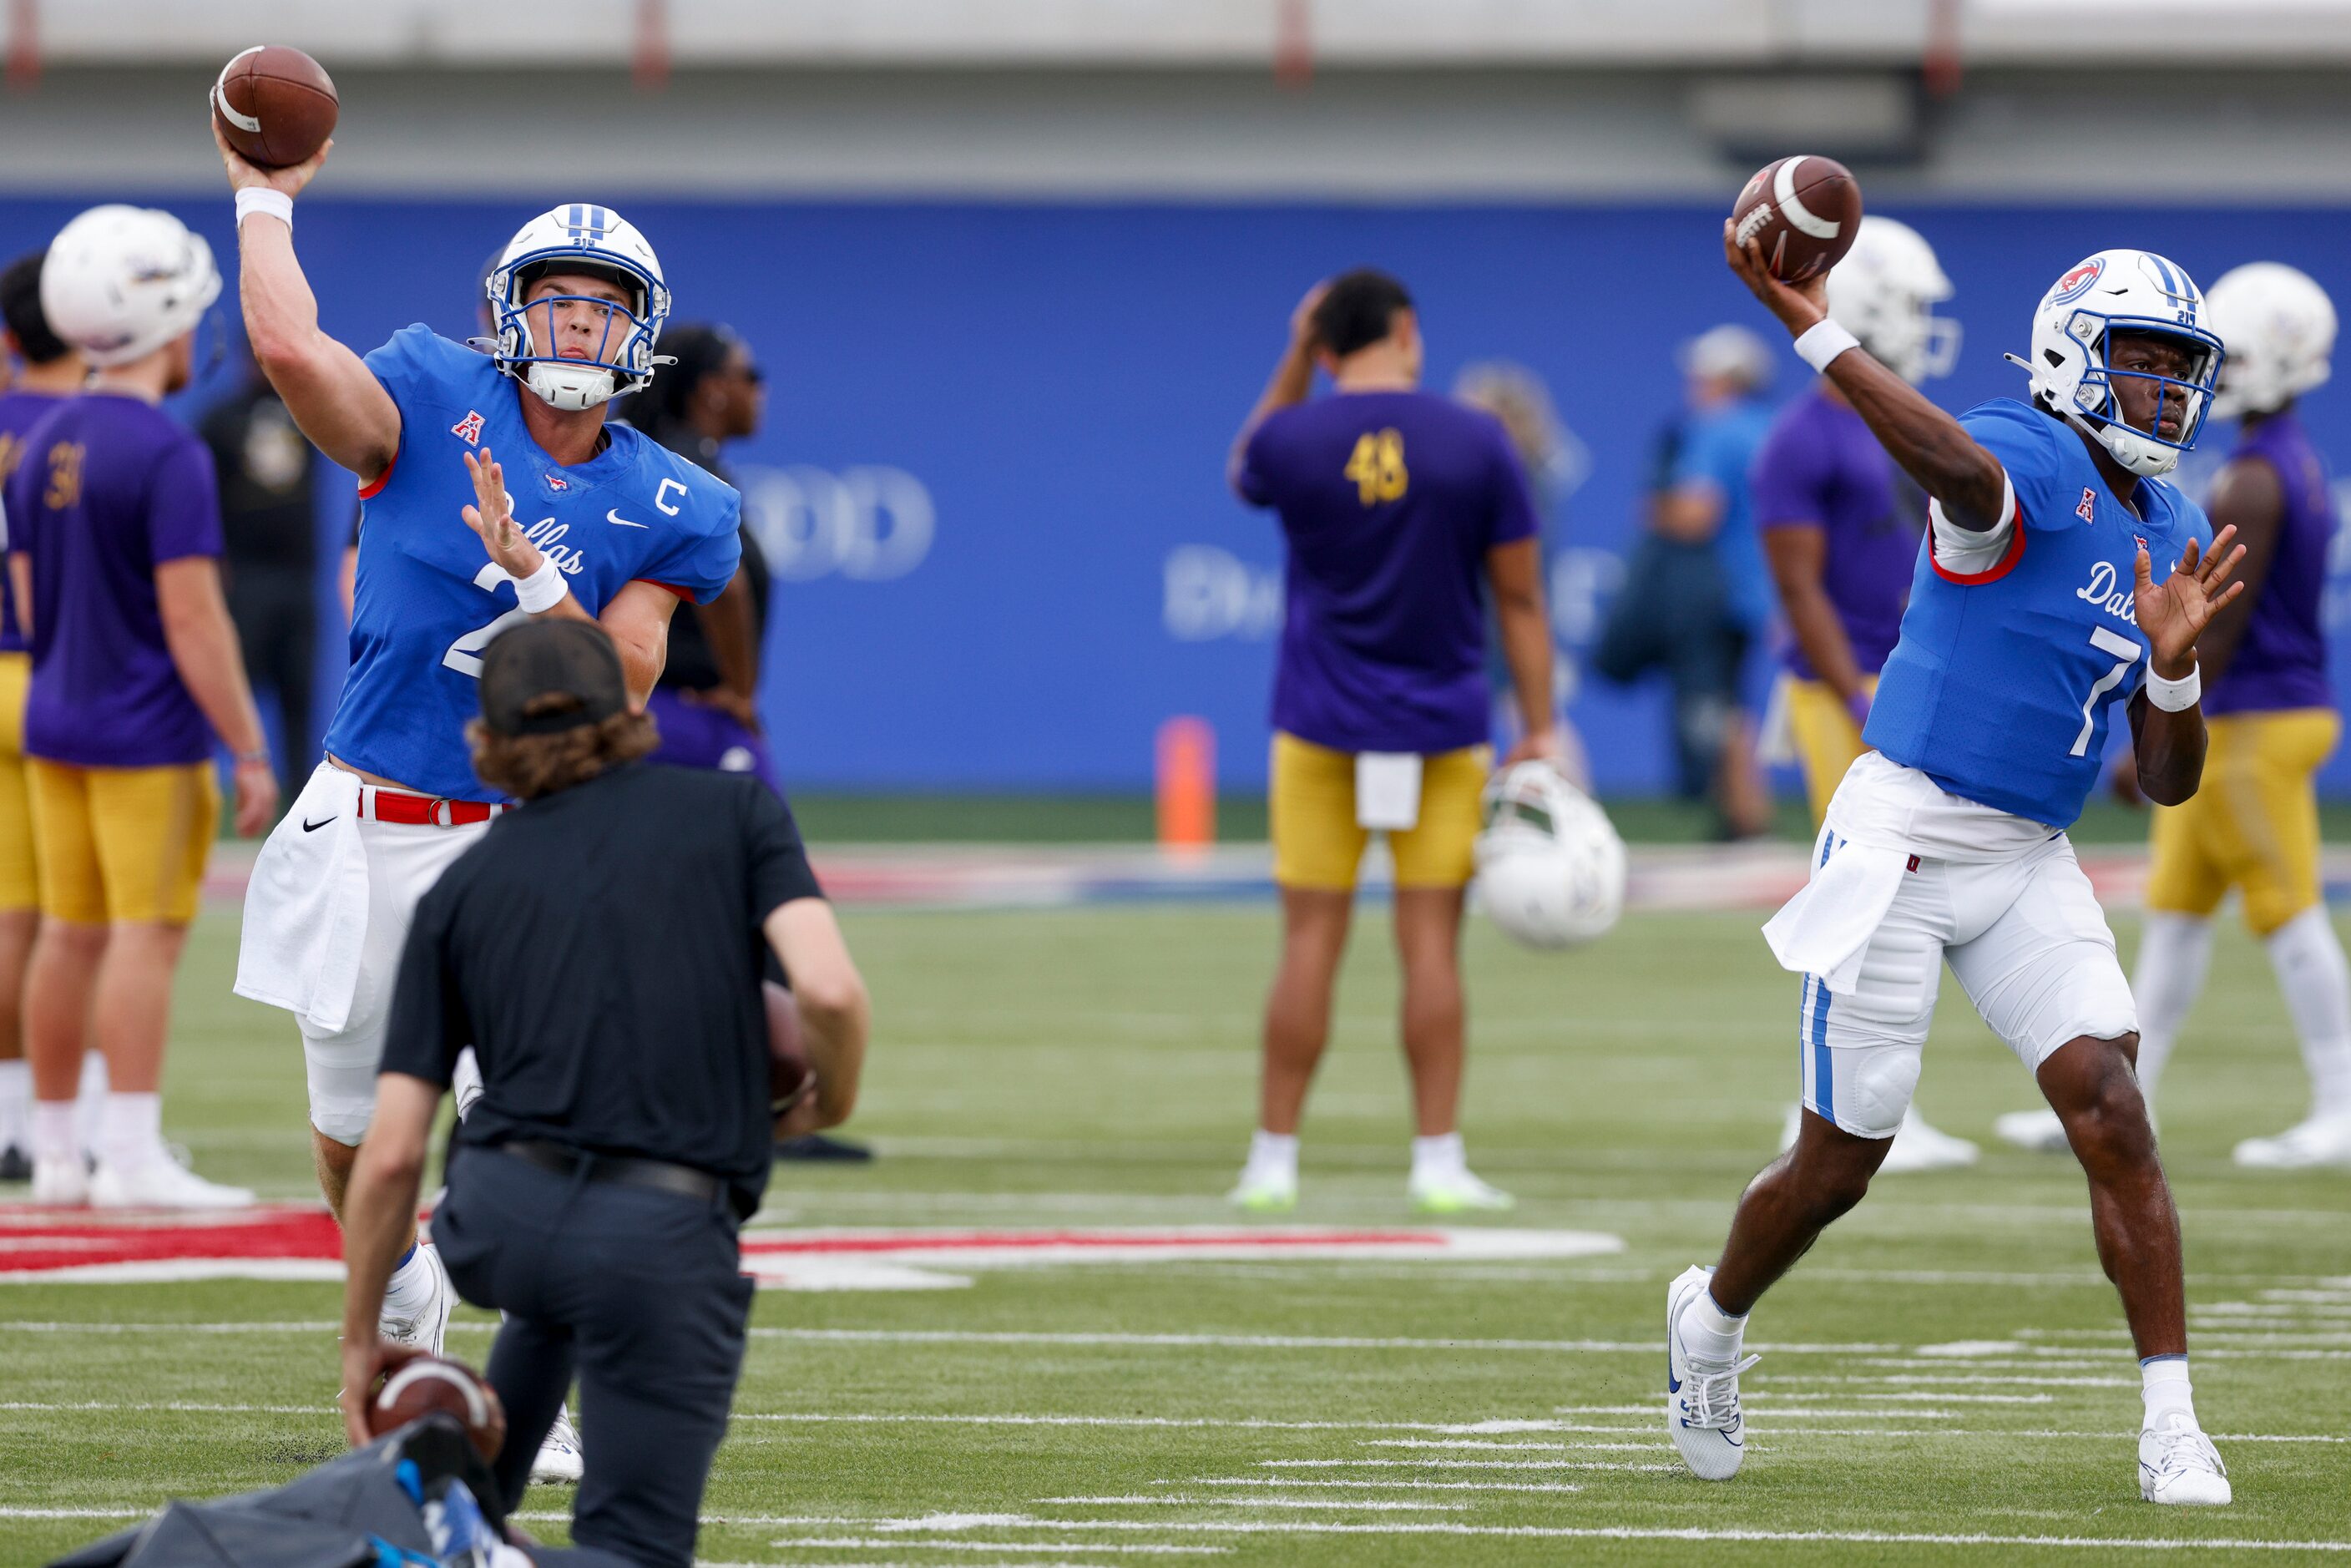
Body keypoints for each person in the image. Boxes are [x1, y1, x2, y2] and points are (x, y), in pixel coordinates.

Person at [1669, 230, 2244, 1506]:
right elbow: (1959, 471)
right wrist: (1816, 328)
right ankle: (1709, 1322)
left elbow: (2167, 778)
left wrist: (2174, 665)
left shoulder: (2182, 523)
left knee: (2114, 1109)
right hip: (1904, 836)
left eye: (2179, 366)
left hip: (2030, 856)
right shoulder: (2024, 449)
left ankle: (2172, 1421)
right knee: (1839, 1164)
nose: (2164, 389)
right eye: (2140, 361)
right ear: (2073, 360)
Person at [215, 127, 741, 1485]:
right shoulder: (428, 391)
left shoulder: (672, 497)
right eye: (559, 297)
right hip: (373, 815)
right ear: (508, 315)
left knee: (540, 1130)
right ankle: (398, 1325)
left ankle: (528, 1382)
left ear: (642, 332)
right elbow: (290, 357)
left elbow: (620, 683)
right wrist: (261, 201)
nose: (579, 320)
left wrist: (524, 575)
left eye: (606, 303)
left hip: (529, 839)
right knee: (354, 1133)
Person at [337, 618, 868, 1568]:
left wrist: (356, 1340)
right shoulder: (734, 814)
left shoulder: (459, 889)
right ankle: (469, 1554)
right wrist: (828, 1104)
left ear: (486, 742)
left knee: (553, 1298)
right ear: (630, 708)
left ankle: (467, 1523)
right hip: (655, 1225)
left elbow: (388, 1156)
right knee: (635, 1553)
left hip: (499, 1220)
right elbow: (826, 990)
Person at [1998, 263, 2351, 1169]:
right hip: (2266, 711)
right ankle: (2124, 1094)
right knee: (2178, 914)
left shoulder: (2249, 483)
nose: (2205, 380)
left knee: (2286, 910)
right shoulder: (2284, 465)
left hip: (2248, 722)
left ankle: (2341, 1101)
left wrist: (2153, 722)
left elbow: (2212, 632)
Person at [1223, 269, 1558, 1215]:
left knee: (1308, 941)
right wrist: (1538, 724)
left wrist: (1294, 353)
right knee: (1429, 945)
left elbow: (1244, 468)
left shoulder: (1292, 434)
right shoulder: (1477, 437)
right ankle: (1437, 1159)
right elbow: (1520, 599)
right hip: (1441, 726)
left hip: (1318, 725)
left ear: (1322, 344)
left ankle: (1272, 1158)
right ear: (1406, 330)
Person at [8, 205, 279, 1208]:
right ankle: (128, 1151)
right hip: (142, 732)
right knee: (140, 936)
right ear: (163, 322)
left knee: (66, 931)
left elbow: (32, 602)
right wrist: (247, 745)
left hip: (56, 719)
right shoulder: (168, 455)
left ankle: (59, 1153)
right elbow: (195, 620)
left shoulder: (44, 440)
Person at [1750, 216, 1979, 1176]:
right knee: (1861, 898)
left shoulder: (1885, 414)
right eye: (1913, 303)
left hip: (1896, 674)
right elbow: (1795, 584)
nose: (1924, 324)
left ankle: (1881, 1106)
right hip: (1844, 681)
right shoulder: (1801, 438)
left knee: (1900, 898)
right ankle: (1822, 1112)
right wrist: (1848, 688)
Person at [1593, 325, 1775, 837]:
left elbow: (1698, 515)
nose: (1693, 385)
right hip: (1757, 593)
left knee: (1719, 705)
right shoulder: (1771, 427)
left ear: (1724, 381)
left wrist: (1656, 508)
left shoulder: (1714, 429)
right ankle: (1743, 813)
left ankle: (1744, 818)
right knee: (1733, 704)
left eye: (1702, 375)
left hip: (1715, 594)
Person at [0, 247, 87, 1183]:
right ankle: (92, 1123)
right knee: (92, 919)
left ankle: (12, 1118)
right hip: (64, 674)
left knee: (12, 912)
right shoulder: (87, 427)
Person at [1454, 360, 1593, 790]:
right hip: (1487, 612)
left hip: (1499, 615)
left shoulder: (1512, 475)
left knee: (1534, 719)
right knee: (1525, 717)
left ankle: (1572, 810)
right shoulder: (1512, 471)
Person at [200, 343, 320, 776]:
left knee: (298, 697)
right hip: (245, 581)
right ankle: (221, 786)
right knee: (235, 691)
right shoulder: (220, 422)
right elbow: (200, 504)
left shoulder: (307, 415)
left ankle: (298, 805)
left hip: (297, 580)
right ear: (246, 361)